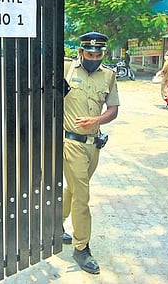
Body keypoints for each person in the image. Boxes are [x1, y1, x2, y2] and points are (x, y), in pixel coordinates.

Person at [62, 31, 120, 274]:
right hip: (71, 143)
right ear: (81, 52)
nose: (94, 58)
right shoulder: (67, 69)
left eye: (99, 54)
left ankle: (54, 224)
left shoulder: (108, 75)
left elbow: (113, 109)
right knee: (83, 196)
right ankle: (81, 247)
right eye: (90, 53)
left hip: (93, 144)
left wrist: (97, 119)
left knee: (74, 189)